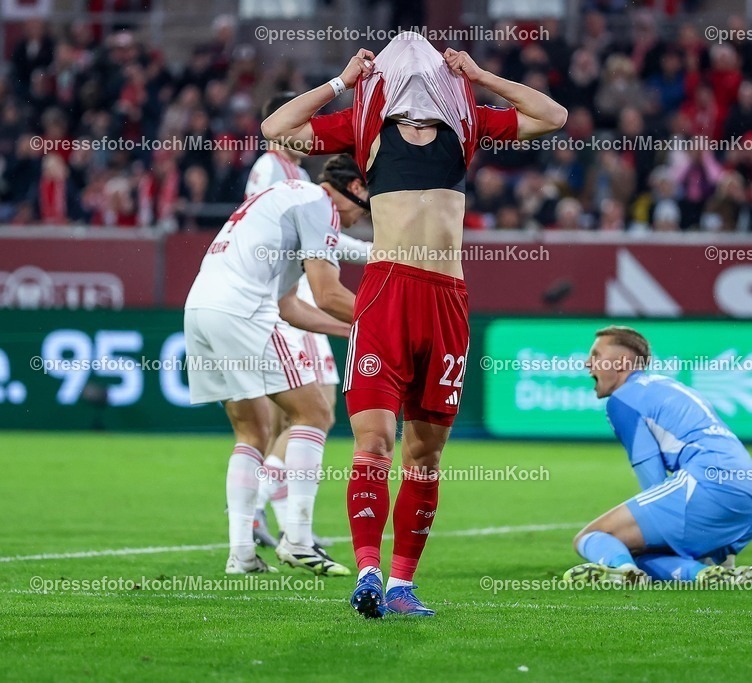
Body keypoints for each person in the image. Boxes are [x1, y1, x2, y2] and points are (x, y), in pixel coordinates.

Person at [261, 32, 566, 617]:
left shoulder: (468, 123)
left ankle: (402, 584)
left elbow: (552, 115)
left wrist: (480, 76)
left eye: (428, 54)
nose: (415, 56)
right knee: (373, 444)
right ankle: (370, 573)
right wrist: (340, 83)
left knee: (424, 456)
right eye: (404, 55)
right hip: (388, 293)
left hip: (446, 301)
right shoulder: (362, 124)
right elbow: (276, 130)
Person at [183, 155, 368, 574]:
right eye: (364, 203)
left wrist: (350, 332)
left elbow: (290, 306)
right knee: (315, 412)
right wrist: (385, 325)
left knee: (254, 431)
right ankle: (299, 539)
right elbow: (328, 295)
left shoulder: (286, 202)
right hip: (241, 312)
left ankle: (241, 556)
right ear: (354, 189)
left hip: (200, 310)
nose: (360, 218)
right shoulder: (316, 203)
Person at [245, 93, 372, 556]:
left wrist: (369, 251)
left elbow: (327, 240)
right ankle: (262, 512)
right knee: (310, 411)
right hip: (290, 298)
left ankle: (287, 523)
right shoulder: (272, 169)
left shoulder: (296, 174)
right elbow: (279, 235)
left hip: (294, 294)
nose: (307, 131)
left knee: (303, 416)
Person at [562, 326, 752, 586]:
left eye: (596, 355)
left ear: (623, 362)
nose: (587, 363)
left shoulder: (623, 399)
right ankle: (706, 575)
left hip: (709, 485)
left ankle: (625, 572)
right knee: (646, 549)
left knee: (591, 537)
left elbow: (653, 483)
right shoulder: (667, 386)